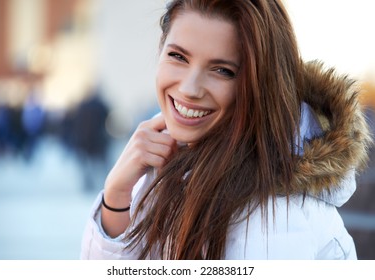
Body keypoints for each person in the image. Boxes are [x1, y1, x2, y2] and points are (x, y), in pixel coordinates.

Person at [80, 0, 372, 259]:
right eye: (178, 57)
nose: (189, 88)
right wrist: (117, 197)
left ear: (261, 86)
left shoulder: (275, 217)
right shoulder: (176, 164)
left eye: (223, 71)